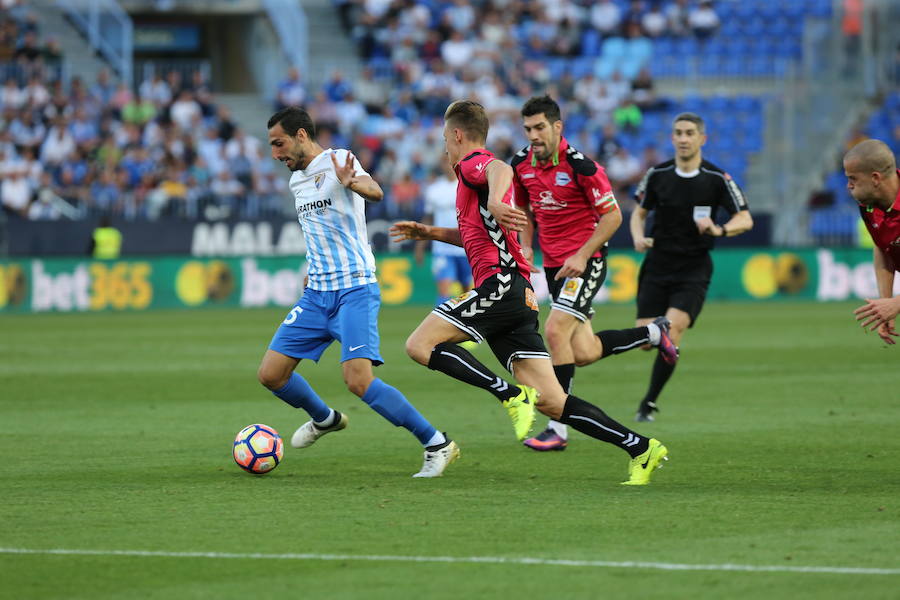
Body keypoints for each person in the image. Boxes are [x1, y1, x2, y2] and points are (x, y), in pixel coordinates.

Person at [390, 100, 668, 485]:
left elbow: (499, 167)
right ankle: (641, 447)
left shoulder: (474, 163)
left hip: (499, 286)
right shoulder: (468, 181)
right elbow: (475, 237)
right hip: (517, 298)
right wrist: (430, 232)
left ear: (456, 134)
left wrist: (494, 197)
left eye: (444, 139)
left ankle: (509, 395)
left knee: (419, 345)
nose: (445, 147)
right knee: (554, 403)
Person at [259, 106, 459, 478]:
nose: (276, 153)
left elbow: (376, 191)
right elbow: (318, 231)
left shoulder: (340, 159)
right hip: (317, 292)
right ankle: (325, 418)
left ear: (301, 135)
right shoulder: (296, 182)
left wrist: (353, 183)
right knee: (271, 374)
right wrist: (311, 268)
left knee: (358, 380)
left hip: (354, 289)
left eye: (279, 143)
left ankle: (437, 443)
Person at [511, 95, 678, 452]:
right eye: (527, 129)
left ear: (557, 127)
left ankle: (558, 427)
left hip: (586, 262)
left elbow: (613, 216)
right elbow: (522, 206)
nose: (533, 135)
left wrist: (583, 254)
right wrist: (525, 245)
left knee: (555, 330)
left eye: (540, 127)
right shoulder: (520, 164)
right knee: (584, 351)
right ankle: (652, 332)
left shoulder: (582, 167)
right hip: (556, 265)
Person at [629, 112, 753, 421]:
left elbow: (745, 218)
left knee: (672, 330)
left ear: (702, 139)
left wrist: (720, 230)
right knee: (644, 340)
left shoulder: (716, 178)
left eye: (689, 133)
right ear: (672, 138)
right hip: (657, 266)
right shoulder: (657, 174)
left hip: (694, 268)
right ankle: (656, 332)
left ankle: (649, 403)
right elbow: (638, 213)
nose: (683, 138)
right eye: (678, 133)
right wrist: (637, 237)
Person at [844, 139, 900, 344]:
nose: (848, 185)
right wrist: (886, 303)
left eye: (853, 179)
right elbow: (883, 247)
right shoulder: (868, 205)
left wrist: (897, 303)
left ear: (875, 178)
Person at [417, 158, 473, 304]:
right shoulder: (434, 189)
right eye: (445, 162)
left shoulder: (467, 186)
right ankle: (442, 324)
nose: (448, 166)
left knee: (467, 290)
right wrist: (420, 246)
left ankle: (466, 324)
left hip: (465, 247)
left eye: (450, 162)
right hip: (442, 248)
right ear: (441, 165)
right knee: (444, 289)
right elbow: (428, 218)